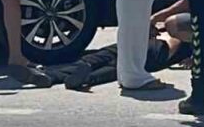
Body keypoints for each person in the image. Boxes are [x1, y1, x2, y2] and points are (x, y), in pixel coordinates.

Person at [54, 31, 193, 91]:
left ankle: (51, 75)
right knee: (116, 65)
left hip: (160, 47)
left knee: (108, 57)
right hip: (159, 49)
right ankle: (86, 77)